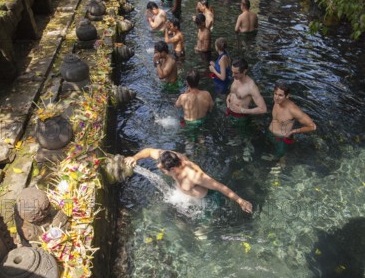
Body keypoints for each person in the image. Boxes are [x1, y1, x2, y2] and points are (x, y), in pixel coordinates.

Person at [125, 148, 253, 213]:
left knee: (200, 235)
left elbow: (219, 186)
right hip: (187, 196)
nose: (158, 167)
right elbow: (148, 151)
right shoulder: (168, 157)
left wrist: (240, 201)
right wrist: (134, 157)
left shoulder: (194, 175)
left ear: (173, 169)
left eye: (162, 169)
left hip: (207, 202)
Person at [268, 81, 316, 158]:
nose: (276, 97)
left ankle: (283, 161)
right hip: (270, 134)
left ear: (287, 96)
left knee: (278, 162)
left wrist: (293, 131)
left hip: (282, 140)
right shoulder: (277, 101)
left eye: (280, 95)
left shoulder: (293, 110)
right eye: (275, 94)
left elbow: (313, 126)